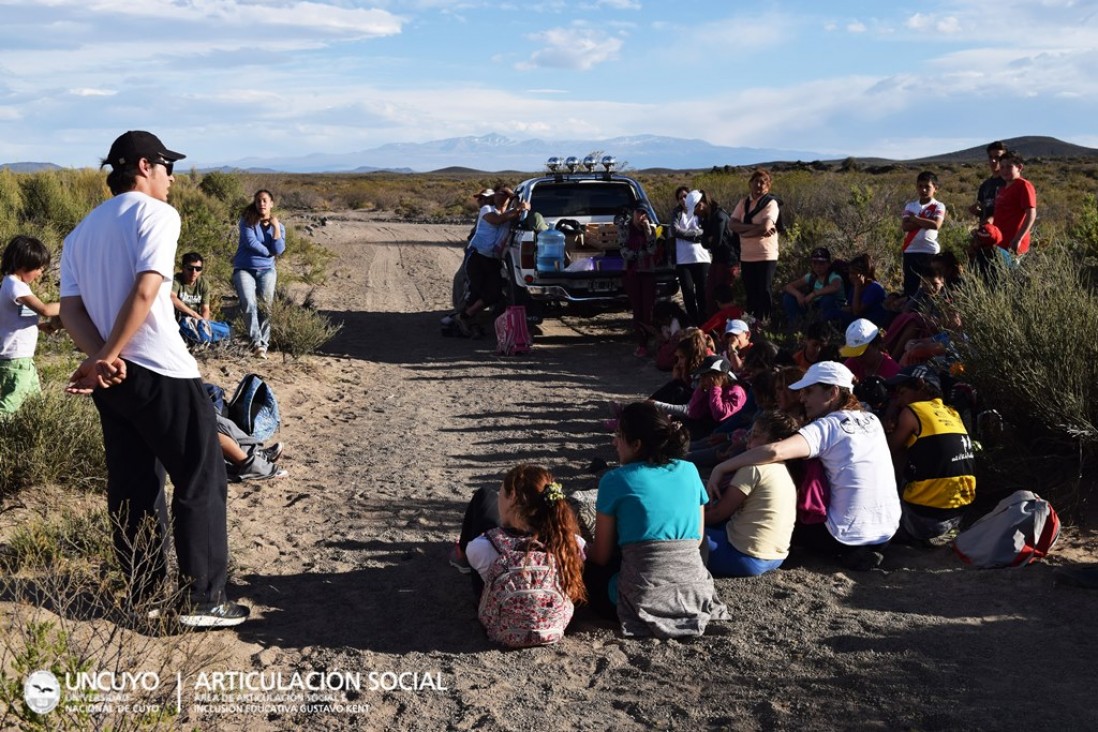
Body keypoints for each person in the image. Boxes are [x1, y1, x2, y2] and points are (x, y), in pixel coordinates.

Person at [59, 130, 248, 627]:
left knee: (132, 484)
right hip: (160, 368)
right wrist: (111, 353)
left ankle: (145, 591)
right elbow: (148, 291)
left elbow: (71, 309)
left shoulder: (79, 233)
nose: (171, 179)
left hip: (114, 377)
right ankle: (205, 600)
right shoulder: (157, 215)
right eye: (168, 167)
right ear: (145, 165)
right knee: (201, 476)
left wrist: (100, 358)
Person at [707, 361, 900, 571]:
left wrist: (722, 467)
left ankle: (846, 552)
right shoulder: (872, 420)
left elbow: (774, 450)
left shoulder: (828, 426)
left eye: (809, 391)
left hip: (842, 536)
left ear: (833, 392)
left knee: (772, 506)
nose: (803, 398)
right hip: (886, 533)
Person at [588, 401, 729, 637]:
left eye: (619, 436)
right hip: (696, 595)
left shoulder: (614, 480)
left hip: (641, 599)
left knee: (591, 571)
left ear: (637, 444)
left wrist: (578, 546)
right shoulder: (690, 470)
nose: (614, 442)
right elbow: (696, 538)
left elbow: (600, 556)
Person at [704, 410, 801, 577]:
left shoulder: (753, 468)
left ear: (776, 443)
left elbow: (718, 514)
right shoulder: (783, 471)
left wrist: (684, 518)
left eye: (756, 436)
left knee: (680, 536)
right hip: (776, 557)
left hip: (745, 557)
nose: (749, 440)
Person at [885, 365, 975, 543]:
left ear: (920, 385)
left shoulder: (913, 411)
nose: (899, 401)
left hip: (924, 520)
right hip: (959, 514)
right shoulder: (952, 412)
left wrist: (888, 417)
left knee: (899, 449)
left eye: (902, 393)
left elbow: (886, 451)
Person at [453, 187, 529, 336]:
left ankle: (464, 317)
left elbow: (512, 216)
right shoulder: (487, 210)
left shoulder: (510, 214)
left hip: (493, 260)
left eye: (505, 195)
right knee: (474, 290)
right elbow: (497, 220)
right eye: (500, 194)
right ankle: (467, 321)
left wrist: (516, 200)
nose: (502, 197)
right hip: (478, 256)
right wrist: (519, 206)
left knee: (494, 292)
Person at [1, 235, 60, 414]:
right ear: (23, 265)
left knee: (35, 406)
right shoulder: (15, 285)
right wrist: (72, 303)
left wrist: (39, 327)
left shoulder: (11, 285)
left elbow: (20, 317)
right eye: (39, 268)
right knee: (8, 409)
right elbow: (46, 310)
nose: (41, 273)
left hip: (21, 360)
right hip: (16, 360)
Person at [234, 190, 285, 359]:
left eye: (264, 200)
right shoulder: (247, 221)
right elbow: (251, 242)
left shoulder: (279, 226)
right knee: (249, 303)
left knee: (266, 307)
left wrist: (276, 227)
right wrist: (269, 253)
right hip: (244, 268)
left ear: (271, 203)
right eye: (258, 201)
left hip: (267, 271)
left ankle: (264, 344)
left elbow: (279, 249)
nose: (261, 204)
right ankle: (256, 342)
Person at [650, 355, 747, 439]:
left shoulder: (735, 391)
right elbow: (693, 412)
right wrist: (700, 390)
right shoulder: (709, 390)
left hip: (724, 433)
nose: (703, 380)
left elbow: (719, 415)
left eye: (706, 377)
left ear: (719, 377)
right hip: (708, 428)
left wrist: (716, 388)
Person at [729, 168, 780, 322]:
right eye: (756, 182)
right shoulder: (743, 202)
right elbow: (732, 224)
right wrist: (754, 230)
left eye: (763, 183)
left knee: (764, 290)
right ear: (750, 183)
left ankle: (765, 323)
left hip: (765, 255)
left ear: (768, 186)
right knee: (751, 292)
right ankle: (752, 324)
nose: (759, 186)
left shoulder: (771, 203)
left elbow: (766, 227)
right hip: (747, 256)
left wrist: (743, 231)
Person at [617, 203, 659, 357]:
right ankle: (641, 343)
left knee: (648, 308)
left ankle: (650, 340)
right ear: (633, 212)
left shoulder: (651, 229)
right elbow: (624, 250)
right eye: (638, 212)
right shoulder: (625, 228)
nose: (641, 216)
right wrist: (640, 254)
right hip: (631, 272)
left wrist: (648, 230)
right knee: (637, 308)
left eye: (644, 213)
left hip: (648, 272)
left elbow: (652, 249)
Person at [901, 171, 946, 298]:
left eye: (927, 186)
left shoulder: (939, 205)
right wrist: (925, 221)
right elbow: (905, 226)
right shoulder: (910, 205)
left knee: (931, 287)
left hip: (930, 251)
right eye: (920, 186)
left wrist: (914, 219)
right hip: (910, 250)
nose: (923, 189)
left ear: (935, 188)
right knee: (910, 287)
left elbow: (936, 225)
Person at [968, 142, 1008, 275]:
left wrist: (993, 218)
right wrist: (977, 212)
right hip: (985, 237)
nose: (993, 161)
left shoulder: (1008, 183)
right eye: (990, 157)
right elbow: (984, 210)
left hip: (1003, 238)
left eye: (997, 157)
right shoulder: (985, 185)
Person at [672, 190, 711, 325]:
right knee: (688, 294)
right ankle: (693, 324)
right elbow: (675, 230)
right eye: (680, 197)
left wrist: (691, 233)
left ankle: (705, 325)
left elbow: (707, 230)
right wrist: (695, 235)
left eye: (685, 196)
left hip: (702, 258)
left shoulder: (700, 212)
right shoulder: (677, 214)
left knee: (702, 293)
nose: (683, 199)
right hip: (684, 260)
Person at [781, 247, 845, 327]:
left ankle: (825, 327)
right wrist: (798, 295)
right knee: (788, 297)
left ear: (828, 264)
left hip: (833, 308)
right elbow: (788, 287)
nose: (818, 266)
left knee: (827, 299)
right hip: (814, 307)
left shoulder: (834, 276)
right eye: (815, 263)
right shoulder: (811, 277)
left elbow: (835, 287)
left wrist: (813, 294)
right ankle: (795, 325)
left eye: (821, 263)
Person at [990, 151, 1037, 256]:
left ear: (1019, 167)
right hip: (999, 242)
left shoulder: (1023, 186)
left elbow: (1031, 214)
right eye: (1002, 167)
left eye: (1009, 167)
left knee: (1007, 271)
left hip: (1013, 244)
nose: (1005, 170)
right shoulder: (1002, 189)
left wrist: (1018, 239)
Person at [699, 191, 737, 316]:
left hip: (728, 261)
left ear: (702, 204)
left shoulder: (720, 215)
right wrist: (708, 239)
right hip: (717, 260)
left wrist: (709, 239)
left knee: (722, 296)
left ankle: (725, 324)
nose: (695, 213)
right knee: (711, 294)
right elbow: (704, 242)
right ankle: (714, 324)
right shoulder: (707, 218)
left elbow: (717, 241)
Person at [844, 252, 891, 327]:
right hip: (861, 320)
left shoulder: (873, 288)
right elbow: (850, 308)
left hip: (871, 322)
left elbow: (856, 312)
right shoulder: (853, 288)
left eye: (853, 273)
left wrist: (857, 287)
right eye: (849, 273)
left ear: (864, 274)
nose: (850, 276)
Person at [170, 252, 211, 322]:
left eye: (198, 269)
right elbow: (172, 297)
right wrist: (194, 314)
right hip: (176, 320)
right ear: (183, 268)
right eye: (190, 268)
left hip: (195, 322)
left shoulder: (203, 284)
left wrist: (204, 322)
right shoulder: (176, 280)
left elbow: (205, 309)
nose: (194, 272)